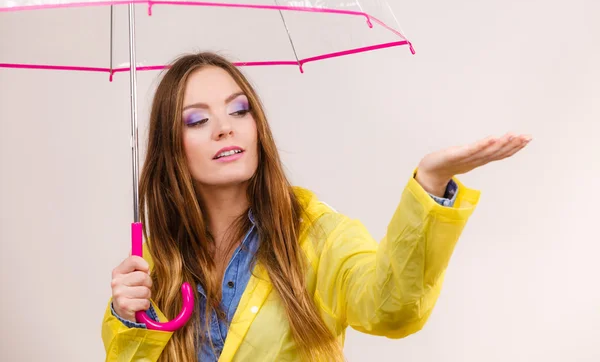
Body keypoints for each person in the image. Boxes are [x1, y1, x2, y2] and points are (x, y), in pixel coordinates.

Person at [101, 52, 531, 362]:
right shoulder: (153, 266)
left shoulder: (315, 235)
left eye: (239, 110)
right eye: (197, 120)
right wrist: (128, 319)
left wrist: (431, 183)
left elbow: (394, 305)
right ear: (171, 147)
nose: (225, 128)